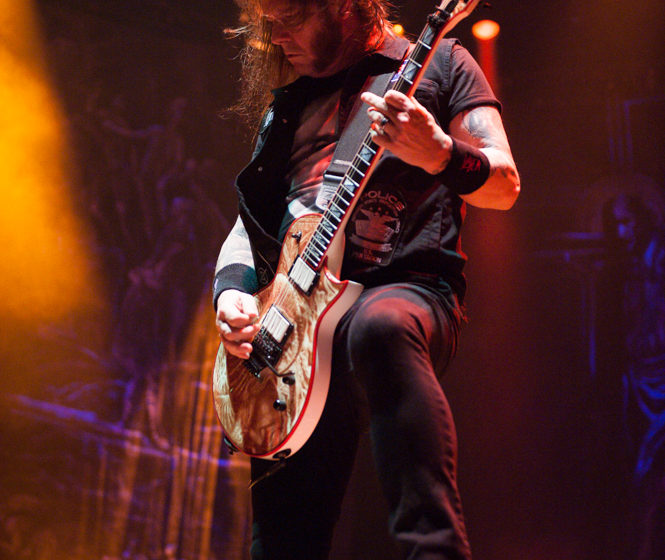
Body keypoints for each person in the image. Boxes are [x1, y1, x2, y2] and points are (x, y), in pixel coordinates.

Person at [213, 0, 520, 558]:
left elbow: (505, 185)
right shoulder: (290, 104)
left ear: (342, 7)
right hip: (294, 321)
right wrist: (232, 291)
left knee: (378, 326)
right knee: (282, 540)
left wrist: (440, 154)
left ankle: (433, 548)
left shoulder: (441, 63)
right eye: (268, 23)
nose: (275, 37)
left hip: (405, 288)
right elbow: (249, 223)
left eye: (290, 19)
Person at [598, 192, 665, 559]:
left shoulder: (658, 258)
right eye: (617, 224)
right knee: (640, 465)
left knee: (651, 466)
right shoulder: (634, 262)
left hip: (659, 373)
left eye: (627, 222)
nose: (622, 232)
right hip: (642, 372)